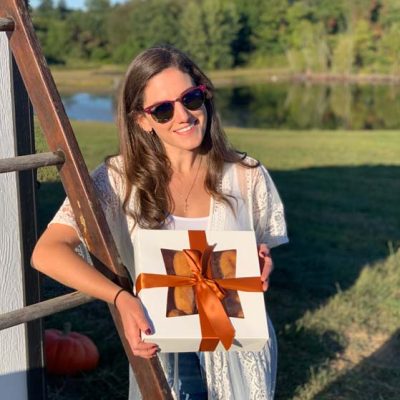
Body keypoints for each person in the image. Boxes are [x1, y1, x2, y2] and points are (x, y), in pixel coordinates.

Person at [31, 45, 288, 399]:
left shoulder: (247, 175)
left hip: (238, 350)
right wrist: (121, 298)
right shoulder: (119, 178)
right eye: (163, 110)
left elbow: (255, 253)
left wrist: (260, 262)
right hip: (163, 351)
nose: (182, 116)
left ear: (205, 95)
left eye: (191, 98)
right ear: (143, 121)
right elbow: (47, 252)